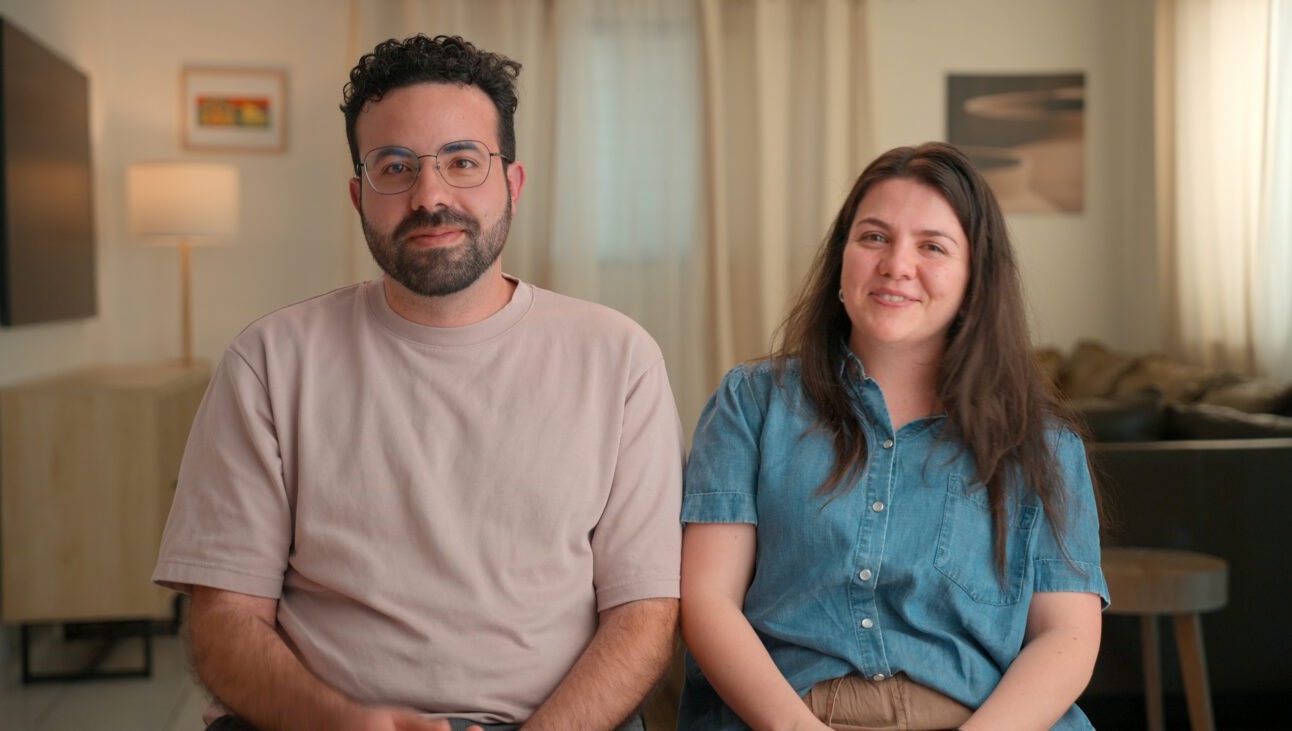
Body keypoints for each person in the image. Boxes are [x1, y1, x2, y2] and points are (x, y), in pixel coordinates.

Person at [153, 35, 683, 731]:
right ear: (359, 195)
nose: (430, 196)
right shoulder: (268, 362)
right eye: (395, 167)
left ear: (513, 184)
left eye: (463, 161)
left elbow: (644, 613)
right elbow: (225, 619)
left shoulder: (620, 359)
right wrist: (342, 723)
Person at [678, 142, 1108, 731]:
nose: (896, 264)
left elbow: (1067, 637)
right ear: (842, 258)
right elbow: (707, 600)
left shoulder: (1045, 445)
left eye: (932, 246)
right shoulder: (751, 403)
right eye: (874, 237)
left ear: (975, 280)